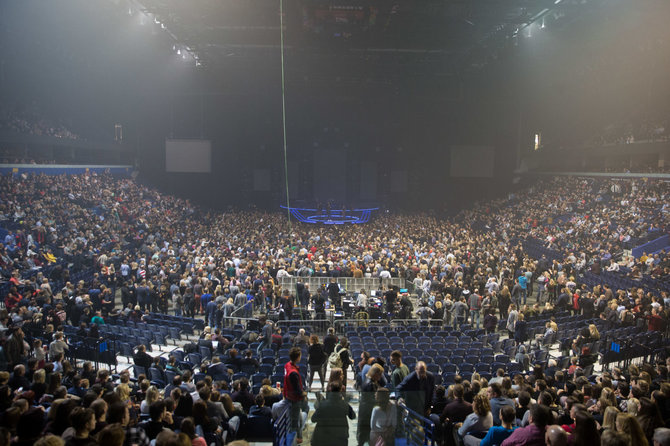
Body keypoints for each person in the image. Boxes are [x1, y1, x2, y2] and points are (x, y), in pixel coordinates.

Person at [358, 364, 385, 446]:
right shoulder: (371, 384)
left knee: (364, 435)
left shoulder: (369, 381)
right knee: (367, 435)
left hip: (365, 411)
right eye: (379, 374)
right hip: (368, 413)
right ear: (375, 373)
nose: (380, 377)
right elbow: (373, 400)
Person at [283, 347, 306, 444]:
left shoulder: (287, 365)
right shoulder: (293, 373)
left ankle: (299, 436)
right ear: (297, 358)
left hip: (289, 396)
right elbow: (297, 390)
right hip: (295, 399)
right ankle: (293, 441)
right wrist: (303, 393)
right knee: (295, 421)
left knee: (299, 418)